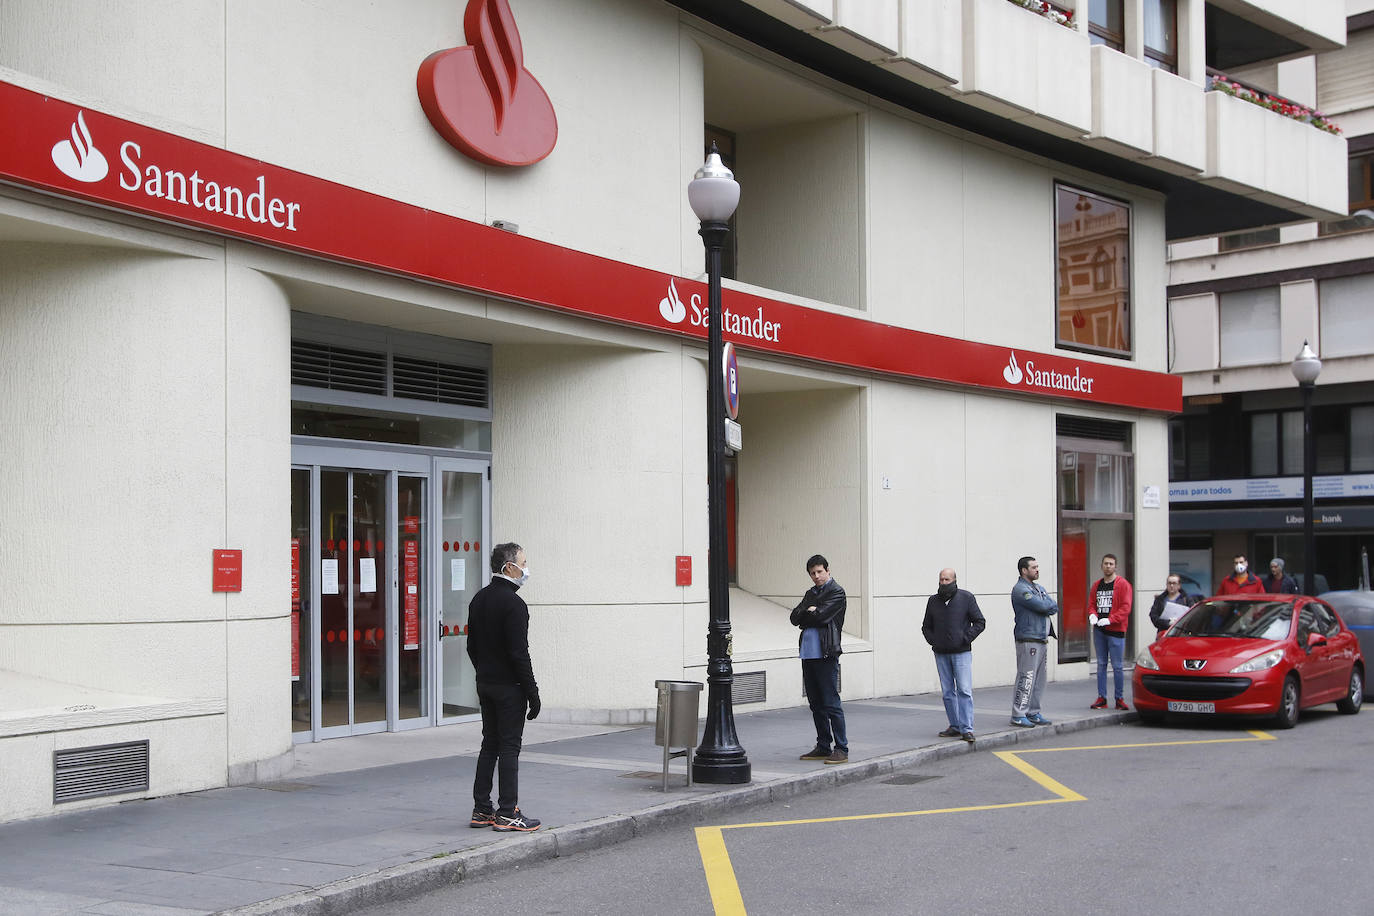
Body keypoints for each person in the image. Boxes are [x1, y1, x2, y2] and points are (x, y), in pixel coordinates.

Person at [467, 542, 542, 833]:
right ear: (509, 567)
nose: (526, 568)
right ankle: (508, 811)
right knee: (510, 747)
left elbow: (471, 646)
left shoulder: (479, 599)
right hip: (509, 687)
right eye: (523, 562)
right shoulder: (514, 604)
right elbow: (519, 653)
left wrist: (484, 673)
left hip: (486, 684)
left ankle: (482, 808)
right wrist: (532, 693)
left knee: (490, 744)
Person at [790, 554, 848, 764]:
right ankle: (823, 745)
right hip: (808, 654)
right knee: (816, 703)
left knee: (831, 702)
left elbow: (822, 615)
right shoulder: (810, 593)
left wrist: (811, 612)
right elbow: (794, 617)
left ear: (828, 571)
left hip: (826, 653)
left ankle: (841, 748)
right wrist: (809, 610)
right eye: (812, 573)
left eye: (819, 572)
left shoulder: (837, 592)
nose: (816, 576)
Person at [922, 568, 985, 743]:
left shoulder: (966, 598)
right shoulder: (933, 601)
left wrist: (965, 638)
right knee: (948, 692)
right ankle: (955, 725)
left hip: (961, 652)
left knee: (964, 690)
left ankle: (967, 728)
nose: (943, 583)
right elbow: (926, 626)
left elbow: (980, 622)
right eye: (941, 579)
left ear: (955, 580)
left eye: (947, 580)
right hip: (941, 653)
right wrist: (934, 641)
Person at [1009, 556, 1057, 728]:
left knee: (1039, 679)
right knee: (1027, 677)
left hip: (1042, 639)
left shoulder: (1038, 588)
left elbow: (1054, 605)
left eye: (1038, 566)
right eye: (1034, 567)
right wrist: (1046, 605)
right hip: (1028, 640)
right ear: (1024, 570)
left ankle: (1033, 712)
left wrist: (1046, 604)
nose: (1037, 570)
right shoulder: (1021, 590)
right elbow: (1045, 607)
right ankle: (1019, 713)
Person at [1089, 554, 1131, 711]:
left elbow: (1126, 608)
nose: (1108, 566)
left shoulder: (1123, 585)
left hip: (1116, 631)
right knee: (1101, 664)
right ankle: (1102, 697)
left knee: (1117, 666)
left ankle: (1119, 698)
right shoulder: (1096, 585)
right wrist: (1092, 614)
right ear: (1101, 566)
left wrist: (1111, 619)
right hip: (1099, 630)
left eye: (1111, 564)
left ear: (1115, 566)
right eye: (1105, 563)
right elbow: (1092, 603)